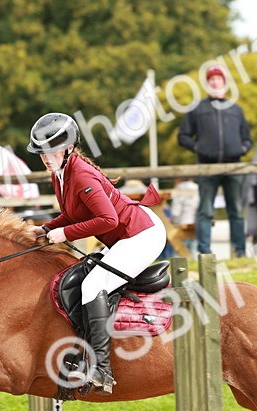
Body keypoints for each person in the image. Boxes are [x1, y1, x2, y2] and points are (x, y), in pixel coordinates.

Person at [27, 113, 167, 394]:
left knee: (93, 284)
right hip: (124, 236)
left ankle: (102, 368)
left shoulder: (81, 174)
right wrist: (43, 228)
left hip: (141, 235)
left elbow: (108, 221)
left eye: (50, 151)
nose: (44, 157)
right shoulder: (60, 175)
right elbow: (70, 214)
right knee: (79, 277)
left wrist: (63, 234)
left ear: (67, 148)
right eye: (40, 152)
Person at [177, 65, 253, 257]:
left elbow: (247, 138)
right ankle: (205, 253)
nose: (215, 82)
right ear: (207, 83)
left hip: (233, 167)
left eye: (219, 79)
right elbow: (183, 136)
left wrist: (242, 149)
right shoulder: (197, 109)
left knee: (236, 211)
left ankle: (240, 251)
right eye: (212, 79)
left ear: (225, 83)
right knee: (205, 211)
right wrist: (198, 148)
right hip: (207, 168)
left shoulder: (236, 109)